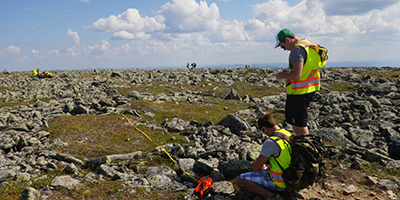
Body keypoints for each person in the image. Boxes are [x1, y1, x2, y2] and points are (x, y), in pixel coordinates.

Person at [275, 28, 324, 135]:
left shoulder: (296, 50)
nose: (283, 49)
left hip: (299, 92)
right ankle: (303, 145)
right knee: (299, 122)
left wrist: (282, 75)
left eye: (282, 46)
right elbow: (305, 68)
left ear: (287, 40)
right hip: (310, 88)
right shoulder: (308, 45)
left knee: (299, 124)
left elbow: (297, 75)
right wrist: (289, 72)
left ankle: (306, 147)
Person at [236, 114, 292, 200]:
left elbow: (255, 168)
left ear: (265, 128)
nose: (265, 134)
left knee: (240, 179)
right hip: (294, 178)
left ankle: (270, 196)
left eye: (263, 131)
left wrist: (262, 166)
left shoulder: (271, 142)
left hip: (281, 182)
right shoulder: (287, 133)